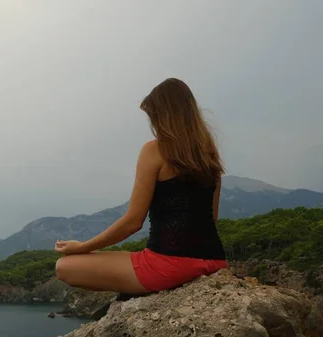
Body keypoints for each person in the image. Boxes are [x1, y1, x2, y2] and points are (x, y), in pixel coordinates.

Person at [54, 78, 228, 295]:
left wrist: (81, 247)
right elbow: (212, 218)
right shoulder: (209, 154)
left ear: (164, 117)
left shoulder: (154, 150)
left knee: (64, 267)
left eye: (153, 117)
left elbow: (133, 222)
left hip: (168, 266)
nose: (153, 125)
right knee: (129, 256)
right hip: (214, 261)